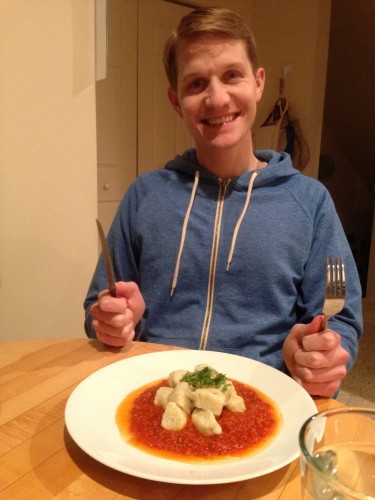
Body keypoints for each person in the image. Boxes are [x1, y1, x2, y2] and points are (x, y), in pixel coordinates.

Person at [84, 6, 362, 398]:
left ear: (259, 82)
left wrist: (328, 353)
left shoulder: (310, 202)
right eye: (196, 84)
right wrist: (112, 319)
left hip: (263, 400)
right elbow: (96, 308)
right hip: (153, 394)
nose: (217, 98)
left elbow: (341, 318)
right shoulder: (144, 196)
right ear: (176, 100)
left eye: (232, 75)